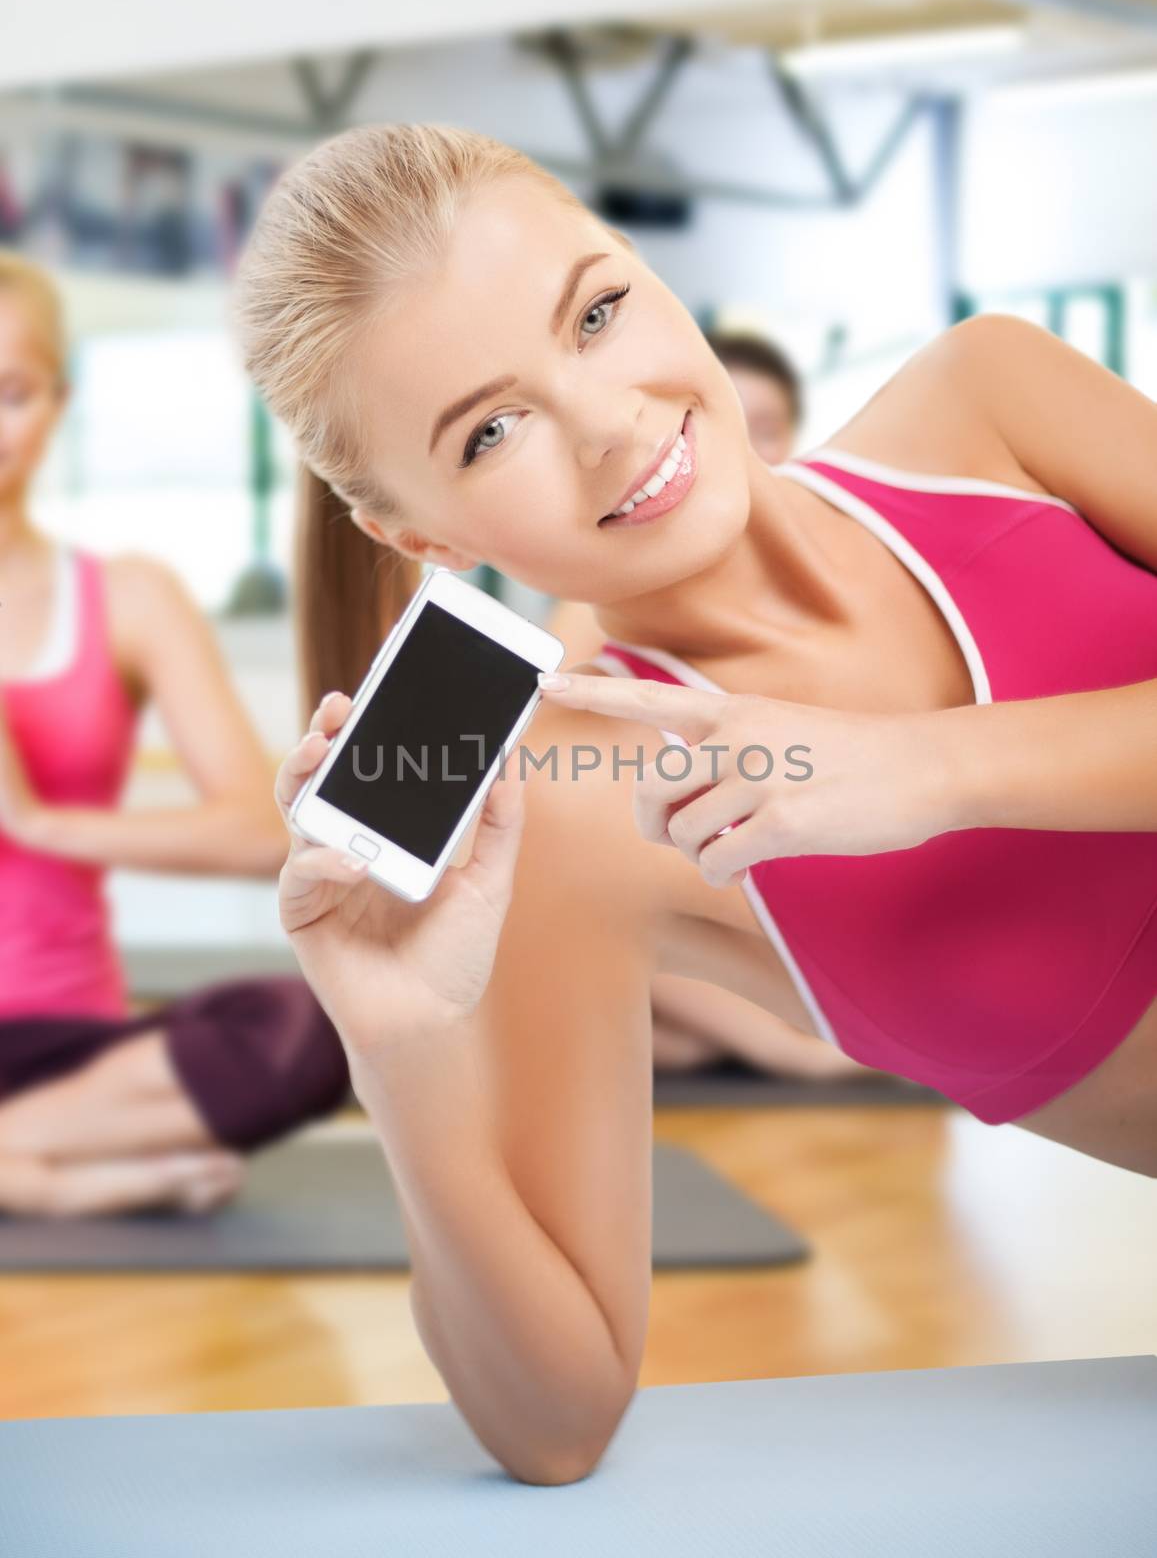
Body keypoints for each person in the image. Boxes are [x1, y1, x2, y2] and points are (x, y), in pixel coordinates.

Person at [234, 124, 1157, 1485]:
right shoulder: (566, 799)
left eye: (597, 313)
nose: (609, 423)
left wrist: (926, 769)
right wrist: (400, 1057)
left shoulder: (990, 401)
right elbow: (555, 1419)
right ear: (421, 538)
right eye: (492, 432)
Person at [0, 251, 349, 1219]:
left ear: (59, 403)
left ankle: (21, 1161)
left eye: (11, 393)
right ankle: (32, 1177)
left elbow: (257, 831)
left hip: (61, 1043)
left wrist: (38, 821)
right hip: (71, 1108)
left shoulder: (131, 598)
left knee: (310, 1025)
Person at [546, 328, 856, 1077]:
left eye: (770, 430)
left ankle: (676, 1031)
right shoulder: (608, 600)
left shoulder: (827, 574)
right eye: (732, 425)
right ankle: (765, 1042)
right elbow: (555, 768)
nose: (749, 450)